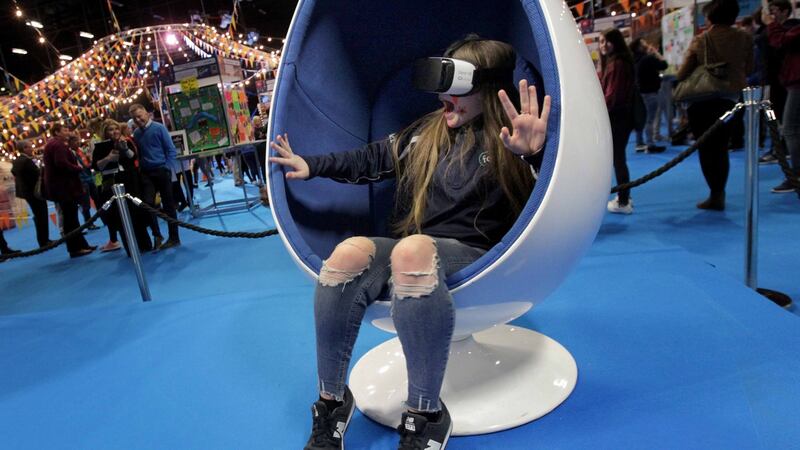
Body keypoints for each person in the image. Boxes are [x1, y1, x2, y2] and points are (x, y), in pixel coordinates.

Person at [270, 36, 550, 449]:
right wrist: (311, 165)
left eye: (455, 87)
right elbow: (369, 160)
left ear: (488, 88)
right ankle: (331, 402)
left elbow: (543, 209)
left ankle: (426, 414)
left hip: (477, 254)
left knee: (411, 249)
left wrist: (534, 157)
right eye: (440, 85)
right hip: (415, 251)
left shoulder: (510, 140)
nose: (443, 97)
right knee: (346, 256)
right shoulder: (425, 135)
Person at [677, 0, 753, 210]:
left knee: (706, 148)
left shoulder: (702, 39)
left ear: (710, 16)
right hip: (732, 98)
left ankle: (714, 194)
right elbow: (750, 66)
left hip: (702, 101)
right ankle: (719, 192)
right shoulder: (744, 38)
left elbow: (683, 72)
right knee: (721, 148)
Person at [93, 120, 154, 254]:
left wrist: (125, 149)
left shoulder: (126, 141)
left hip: (131, 182)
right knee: (120, 219)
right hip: (112, 186)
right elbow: (97, 166)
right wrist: (108, 158)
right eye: (110, 129)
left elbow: (134, 157)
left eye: (116, 128)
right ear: (105, 132)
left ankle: (145, 244)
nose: (114, 131)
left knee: (137, 214)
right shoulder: (100, 147)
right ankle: (131, 249)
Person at [128, 103, 180, 250]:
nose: (138, 120)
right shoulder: (137, 134)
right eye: (134, 118)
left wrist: (167, 168)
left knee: (169, 205)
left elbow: (171, 150)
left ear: (146, 113)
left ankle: (174, 238)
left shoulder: (159, 128)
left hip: (161, 170)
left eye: (139, 116)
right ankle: (157, 235)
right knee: (147, 204)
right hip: (146, 174)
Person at [42, 124, 96, 258]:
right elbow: (61, 164)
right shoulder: (58, 145)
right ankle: (75, 248)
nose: (68, 132)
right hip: (64, 188)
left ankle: (81, 245)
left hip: (62, 187)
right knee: (70, 219)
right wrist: (77, 168)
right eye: (65, 130)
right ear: (56, 132)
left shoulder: (53, 144)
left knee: (72, 218)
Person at [764, 0, 800, 194]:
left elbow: (779, 41)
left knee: (791, 128)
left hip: (797, 82)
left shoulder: (792, 28)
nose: (772, 14)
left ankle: (796, 175)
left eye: (775, 11)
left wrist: (771, 24)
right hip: (791, 81)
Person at [600, 28, 636, 214]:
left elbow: (612, 95)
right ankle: (623, 198)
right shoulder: (616, 63)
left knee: (618, 159)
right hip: (622, 117)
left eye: (607, 41)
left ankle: (623, 201)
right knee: (618, 158)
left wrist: (598, 112)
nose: (603, 45)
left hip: (617, 118)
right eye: (601, 41)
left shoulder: (617, 64)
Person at [11, 140, 52, 247]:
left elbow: (14, 172)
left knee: (38, 216)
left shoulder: (17, 161)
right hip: (35, 193)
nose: (32, 149)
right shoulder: (27, 161)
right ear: (24, 148)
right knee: (41, 216)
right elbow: (38, 174)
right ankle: (44, 241)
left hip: (27, 193)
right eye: (30, 147)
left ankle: (43, 240)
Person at [631, 39, 669, 154]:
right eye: (644, 43)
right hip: (650, 92)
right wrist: (656, 53)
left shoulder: (634, 60)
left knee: (641, 118)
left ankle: (639, 143)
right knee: (650, 119)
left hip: (639, 93)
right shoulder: (648, 59)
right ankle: (650, 144)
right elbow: (664, 65)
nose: (647, 45)